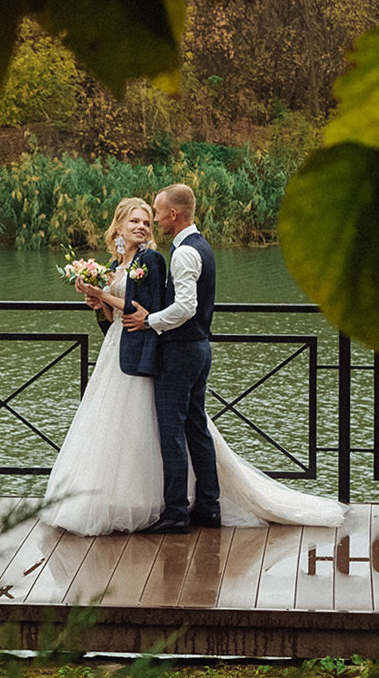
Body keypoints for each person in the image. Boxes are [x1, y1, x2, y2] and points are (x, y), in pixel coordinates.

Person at [45, 188, 347, 536]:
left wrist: (131, 310)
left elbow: (161, 309)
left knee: (170, 431)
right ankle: (204, 504)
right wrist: (99, 303)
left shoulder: (164, 258)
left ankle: (176, 510)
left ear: (172, 215)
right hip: (137, 350)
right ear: (118, 227)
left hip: (173, 350)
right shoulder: (128, 262)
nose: (148, 224)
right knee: (186, 429)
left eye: (152, 217)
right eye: (138, 220)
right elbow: (122, 313)